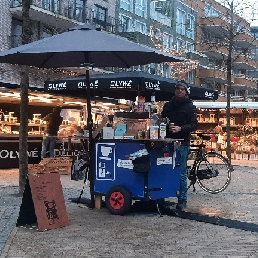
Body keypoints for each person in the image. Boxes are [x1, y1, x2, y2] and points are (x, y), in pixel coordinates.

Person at [161, 80, 198, 210]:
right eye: (178, 88)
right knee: (164, 169)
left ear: (186, 91)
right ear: (175, 90)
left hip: (182, 142)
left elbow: (194, 124)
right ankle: (162, 196)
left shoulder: (190, 106)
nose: (180, 91)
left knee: (181, 172)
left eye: (182, 89)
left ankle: (182, 199)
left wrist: (180, 128)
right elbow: (162, 120)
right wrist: (164, 124)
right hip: (167, 142)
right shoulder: (168, 105)